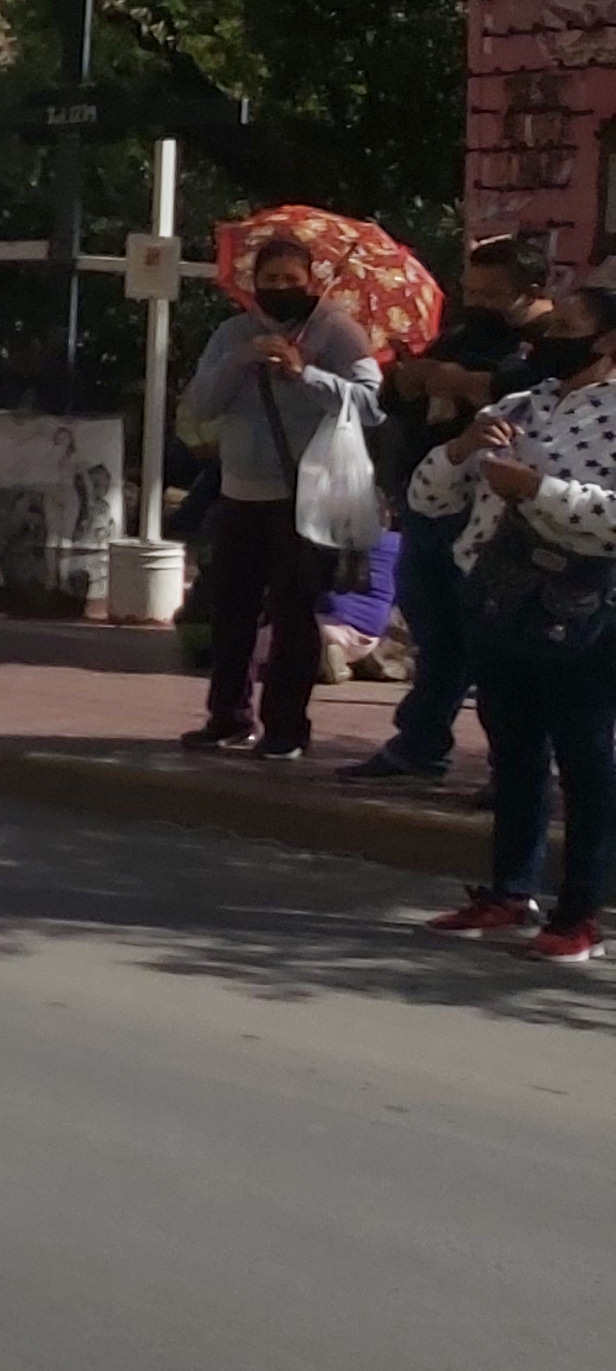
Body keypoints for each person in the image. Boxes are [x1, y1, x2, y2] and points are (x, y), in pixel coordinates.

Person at [413, 283, 616, 958]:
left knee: (586, 758)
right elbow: (428, 494)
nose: (549, 336)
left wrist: (539, 491)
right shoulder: (519, 405)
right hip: (498, 593)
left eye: (568, 325)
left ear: (607, 341)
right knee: (515, 749)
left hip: (581, 604)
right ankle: (509, 890)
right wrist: (465, 447)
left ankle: (580, 912)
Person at [177, 233, 382, 762]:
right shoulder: (232, 333)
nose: (281, 289)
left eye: (292, 281)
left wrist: (305, 373)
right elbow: (200, 405)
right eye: (270, 281)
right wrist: (241, 361)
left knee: (294, 614)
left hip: (305, 495)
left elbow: (370, 403)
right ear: (253, 284)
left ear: (310, 281)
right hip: (239, 492)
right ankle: (226, 716)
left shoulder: (337, 331)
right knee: (231, 611)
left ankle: (287, 727)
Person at [351, 238, 549, 783]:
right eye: (473, 289)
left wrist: (467, 386)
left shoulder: (547, 344)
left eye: (494, 293)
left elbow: (535, 401)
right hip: (429, 497)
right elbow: (403, 399)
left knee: (498, 647)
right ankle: (420, 742)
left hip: (493, 512)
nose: (479, 301)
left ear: (531, 292)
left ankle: (515, 769)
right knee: (436, 636)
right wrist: (410, 379)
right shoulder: (462, 334)